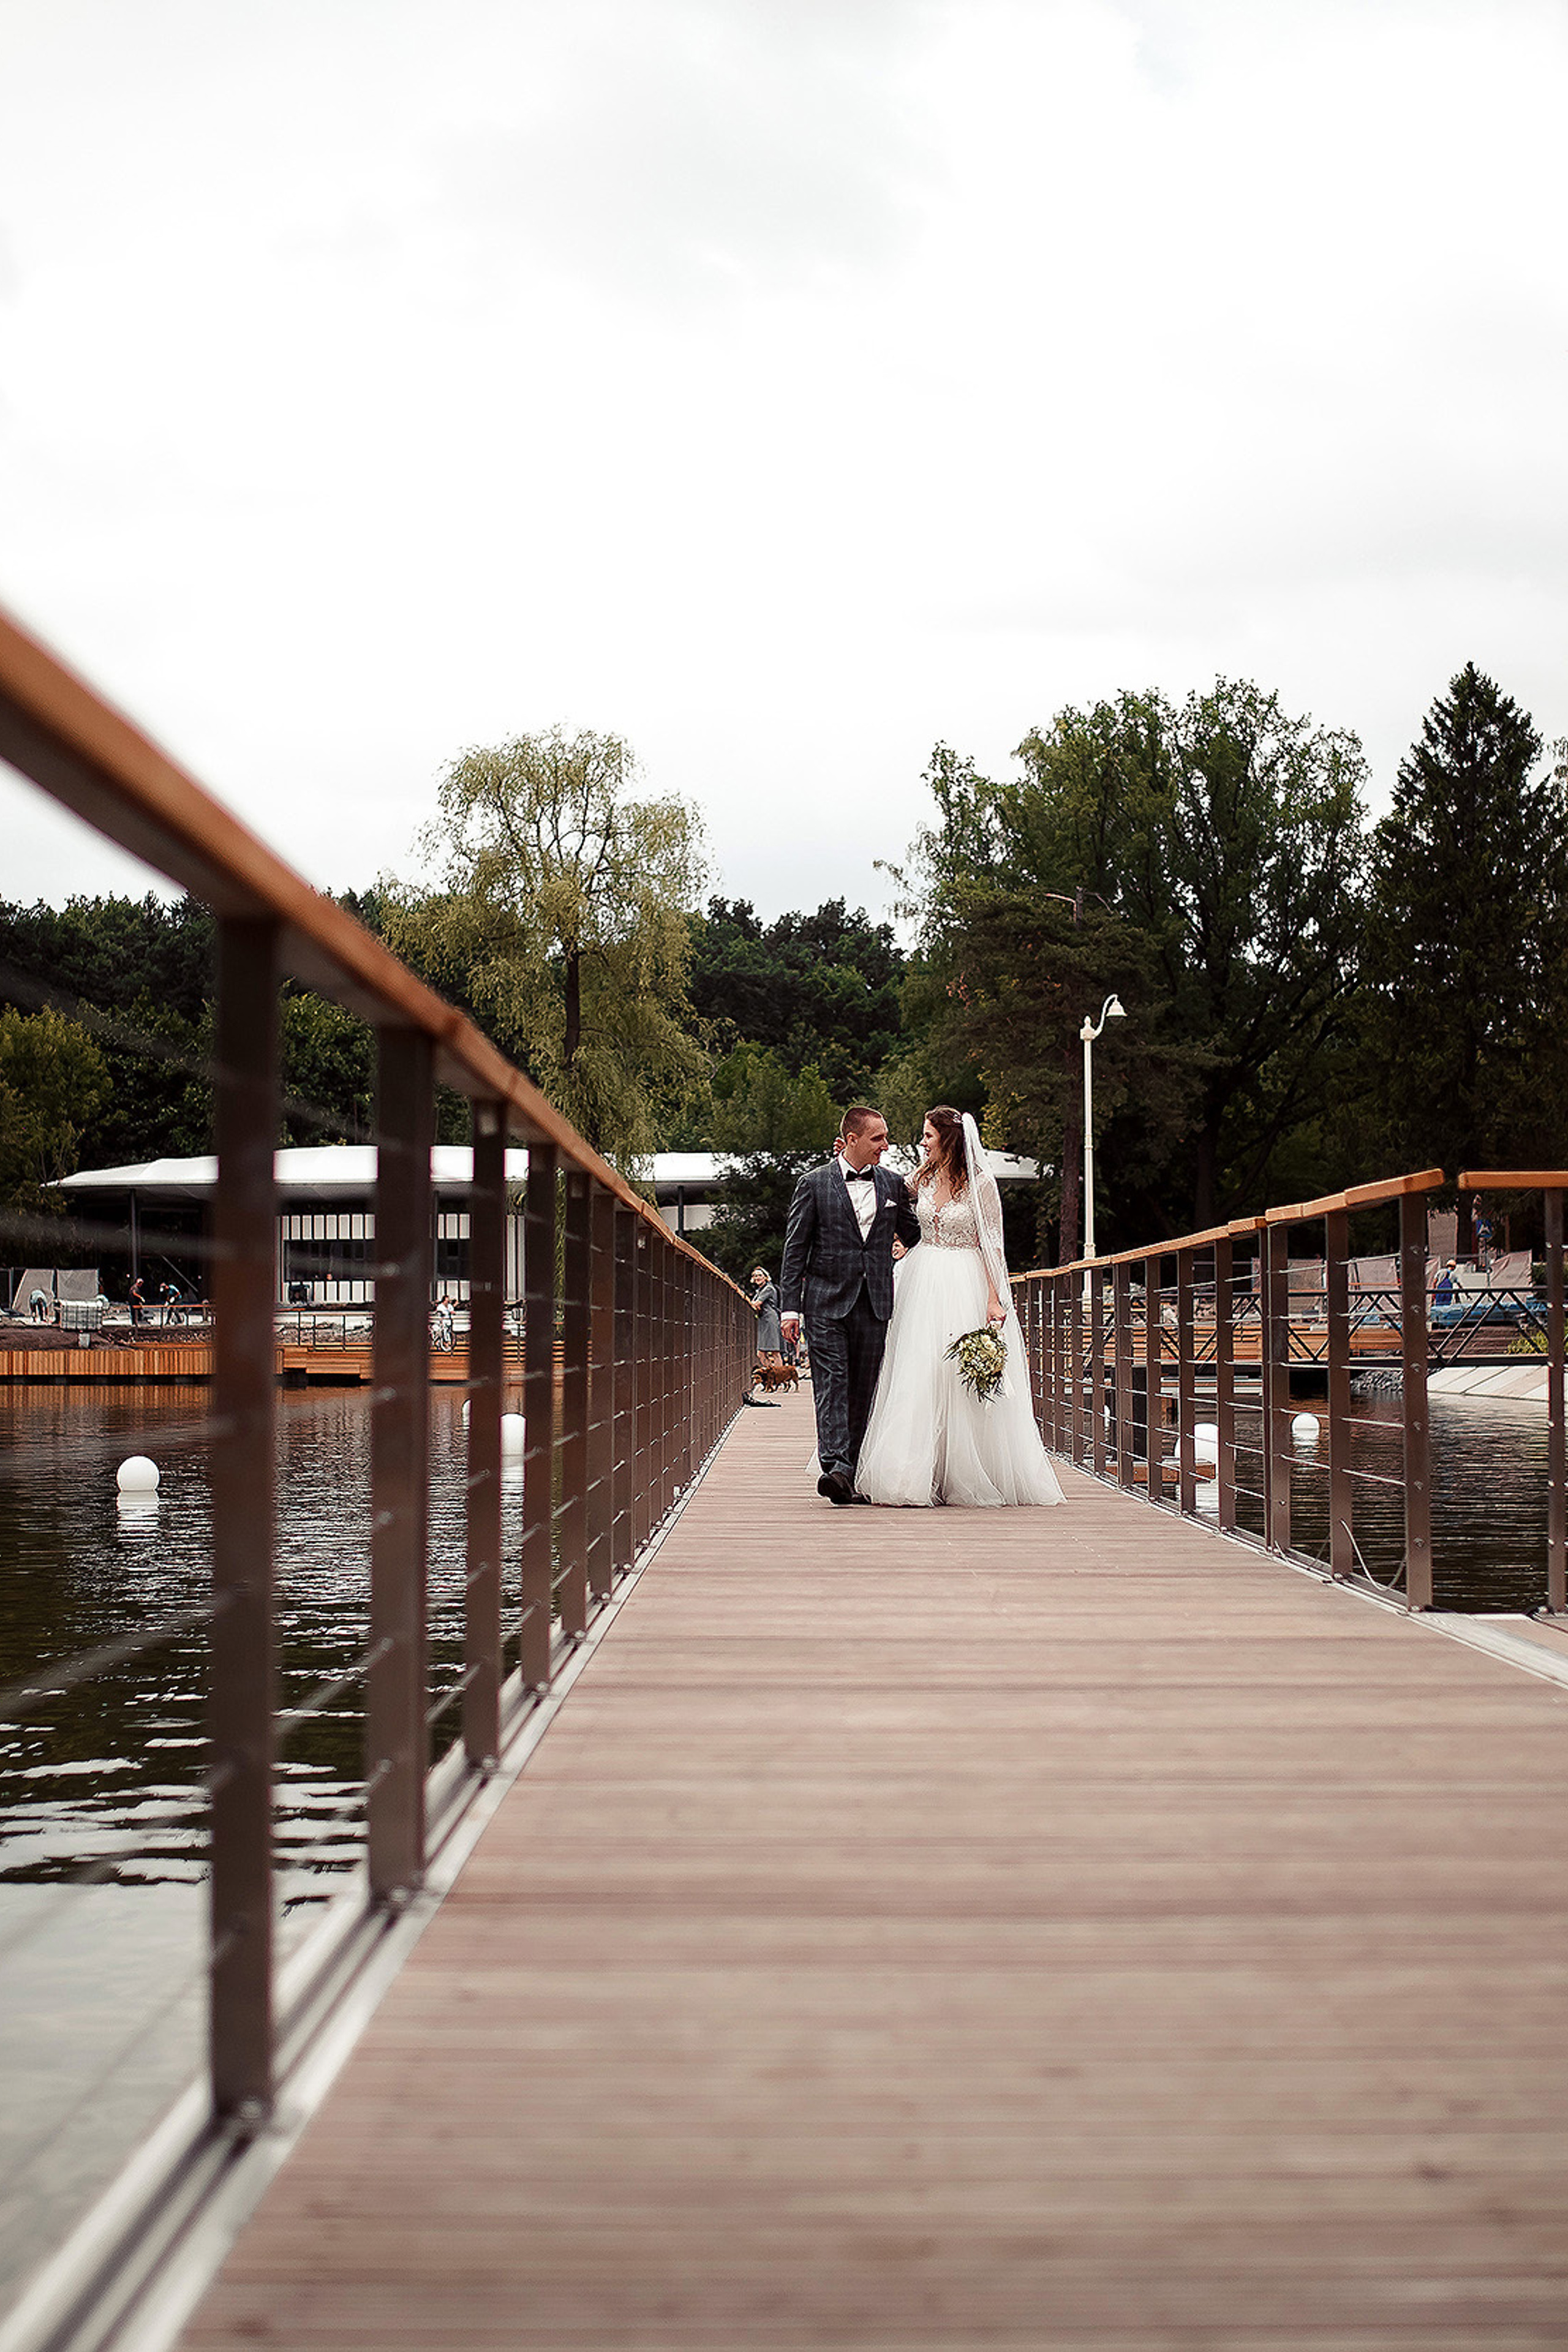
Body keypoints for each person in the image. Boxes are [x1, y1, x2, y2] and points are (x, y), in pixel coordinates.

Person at [854, 1107, 1065, 1510]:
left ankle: (965, 1471)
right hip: (922, 1278)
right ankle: (914, 1471)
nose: (923, 1142)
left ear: (948, 1139)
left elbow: (992, 1243)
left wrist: (993, 1297)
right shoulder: (920, 1179)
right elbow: (892, 1210)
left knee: (959, 1375)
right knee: (919, 1372)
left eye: (929, 1136)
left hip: (965, 1279)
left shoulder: (981, 1184)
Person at [780, 1107, 921, 1506]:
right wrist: (790, 1308)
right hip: (824, 1302)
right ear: (853, 1139)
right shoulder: (813, 1184)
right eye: (878, 1138)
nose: (886, 1145)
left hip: (875, 1302)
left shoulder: (893, 1185)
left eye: (886, 1137)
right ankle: (836, 1467)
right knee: (832, 1384)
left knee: (864, 1390)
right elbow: (795, 1250)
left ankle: (850, 1473)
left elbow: (916, 1235)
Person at [749, 1267, 783, 1377]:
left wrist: (753, 1303)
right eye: (755, 1276)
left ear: (765, 1277)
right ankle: (772, 1376)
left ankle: (779, 1378)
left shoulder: (768, 1289)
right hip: (764, 1321)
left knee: (775, 1352)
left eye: (760, 1275)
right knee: (761, 1353)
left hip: (770, 1320)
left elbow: (756, 1304)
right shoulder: (760, 1290)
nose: (757, 1277)